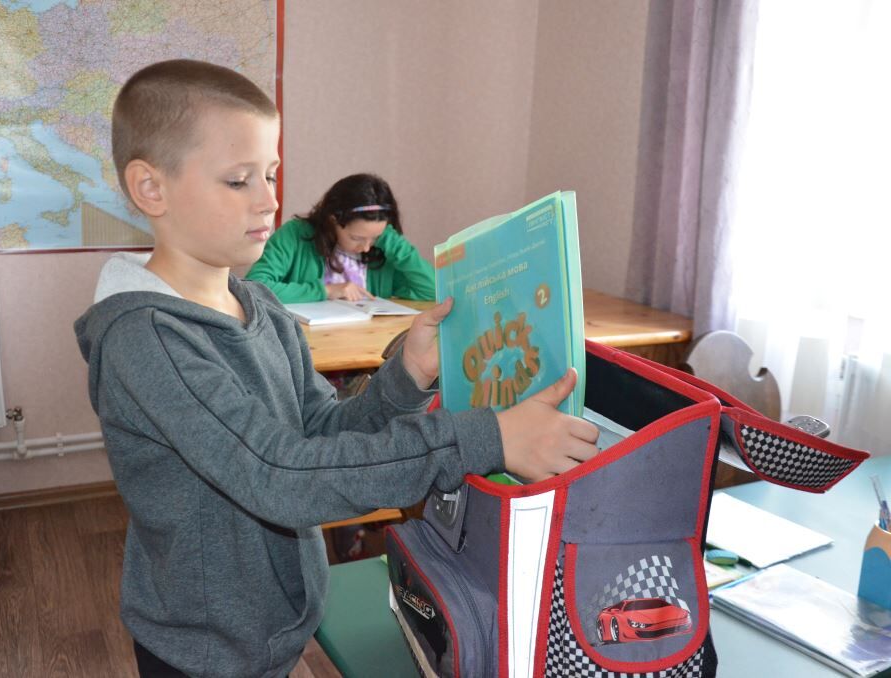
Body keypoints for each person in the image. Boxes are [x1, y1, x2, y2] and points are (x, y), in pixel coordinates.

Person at [74, 59, 599, 678]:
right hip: (203, 650)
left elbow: (321, 430)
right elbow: (278, 475)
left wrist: (406, 374)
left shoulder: (260, 306)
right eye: (239, 180)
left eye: (271, 174)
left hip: (275, 629)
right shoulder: (147, 338)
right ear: (150, 188)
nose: (270, 200)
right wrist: (486, 437)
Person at [246, 173, 435, 302]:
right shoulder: (296, 235)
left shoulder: (382, 250)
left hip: (368, 342)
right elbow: (254, 288)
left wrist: (391, 241)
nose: (366, 248)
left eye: (375, 238)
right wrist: (325, 291)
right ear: (333, 220)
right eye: (356, 238)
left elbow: (432, 290)